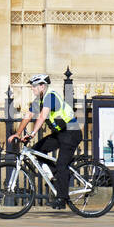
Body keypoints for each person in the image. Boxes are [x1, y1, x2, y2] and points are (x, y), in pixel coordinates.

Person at [9, 74, 81, 209]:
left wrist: (32, 133)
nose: (32, 89)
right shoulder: (39, 100)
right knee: (36, 150)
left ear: (42, 86)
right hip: (60, 133)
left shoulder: (50, 97)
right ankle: (56, 176)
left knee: (61, 164)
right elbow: (28, 115)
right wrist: (17, 134)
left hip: (71, 132)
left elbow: (43, 115)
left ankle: (62, 199)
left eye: (34, 86)